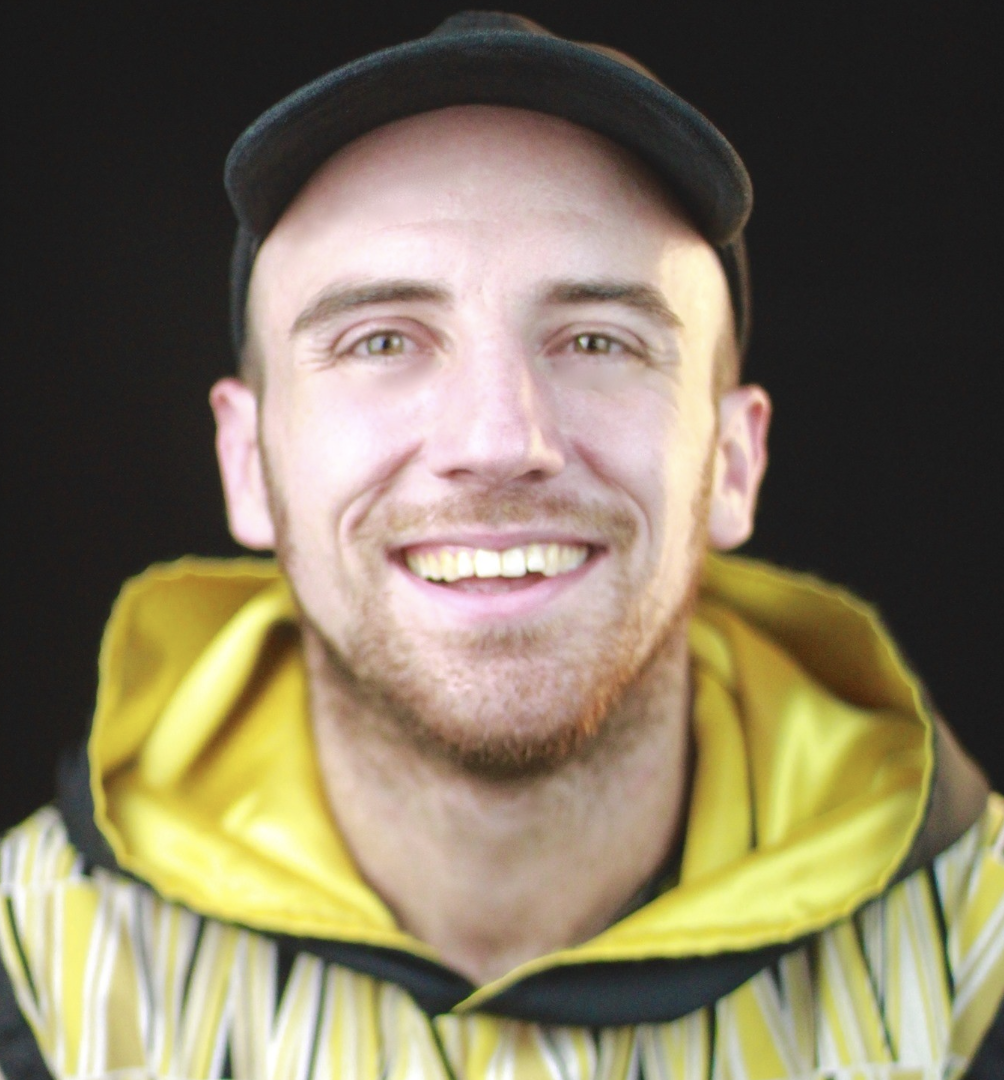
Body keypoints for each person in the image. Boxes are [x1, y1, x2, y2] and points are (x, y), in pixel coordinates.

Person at [1, 11, 1001, 1078]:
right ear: (246, 462)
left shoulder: (967, 958)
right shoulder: (43, 973)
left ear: (734, 462)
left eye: (596, 340)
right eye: (380, 339)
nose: (495, 442)